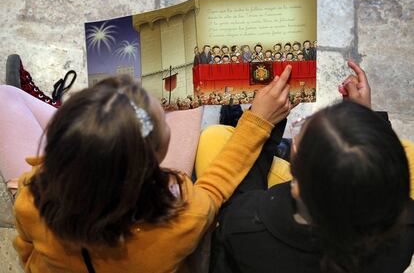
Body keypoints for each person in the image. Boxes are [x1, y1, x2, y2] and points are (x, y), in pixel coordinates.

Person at [13, 67, 294, 273]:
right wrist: (257, 121)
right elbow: (213, 190)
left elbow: (26, 247)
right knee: (190, 107)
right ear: (154, 161)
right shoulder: (182, 217)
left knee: (6, 97)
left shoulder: (31, 197)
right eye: (164, 122)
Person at [209, 61, 414, 273]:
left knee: (212, 139)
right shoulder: (403, 233)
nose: (296, 137)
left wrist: (261, 122)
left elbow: (242, 193)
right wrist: (362, 122)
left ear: (296, 187)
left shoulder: (246, 227)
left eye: (299, 137)